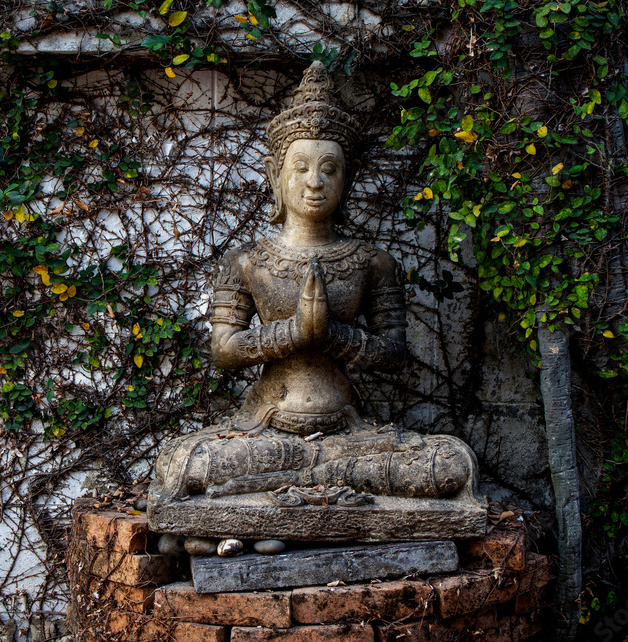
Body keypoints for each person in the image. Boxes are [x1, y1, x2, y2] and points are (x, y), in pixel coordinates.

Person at [152, 62, 478, 506]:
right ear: (275, 175)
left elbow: (396, 353)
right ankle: (324, 478)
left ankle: (307, 477)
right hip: (267, 429)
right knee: (187, 461)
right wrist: (295, 332)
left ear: (349, 177)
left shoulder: (372, 262)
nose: (314, 182)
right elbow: (223, 351)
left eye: (330, 169)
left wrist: (331, 335)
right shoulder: (247, 262)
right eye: (301, 167)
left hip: (349, 431)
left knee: (448, 462)